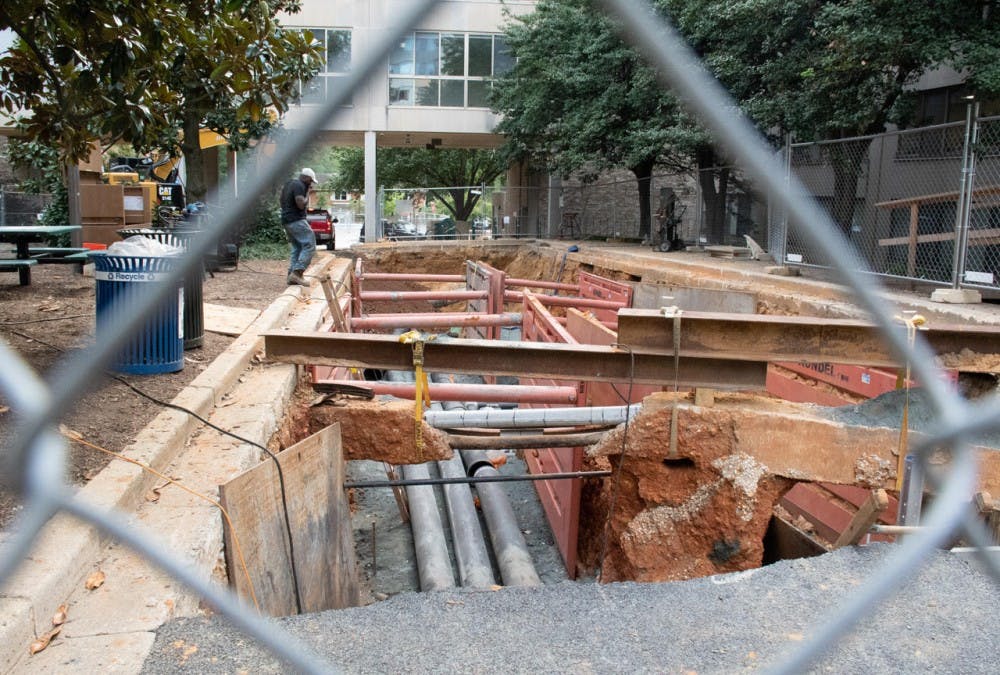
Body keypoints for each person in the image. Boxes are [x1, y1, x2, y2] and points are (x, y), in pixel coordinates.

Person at [279, 168, 317, 285]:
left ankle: (291, 275)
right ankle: (297, 273)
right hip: (296, 220)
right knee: (310, 244)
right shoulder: (300, 185)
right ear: (305, 178)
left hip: (287, 220)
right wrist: (308, 194)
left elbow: (281, 201)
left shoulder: (289, 184)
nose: (310, 184)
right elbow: (301, 204)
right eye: (310, 181)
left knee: (297, 247)